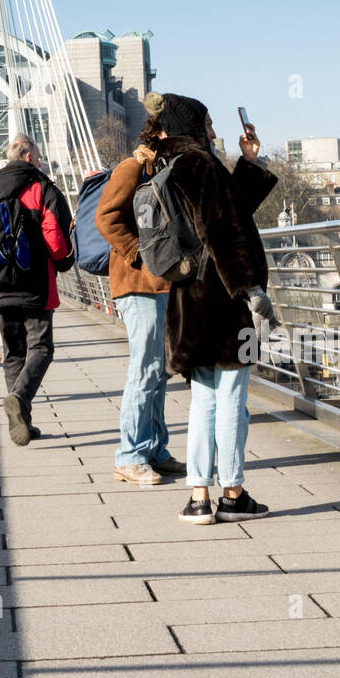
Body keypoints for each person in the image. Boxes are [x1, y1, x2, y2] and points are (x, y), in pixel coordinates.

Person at [138, 91, 278, 524]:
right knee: (233, 399)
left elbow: (225, 210)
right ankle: (233, 494)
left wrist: (249, 162)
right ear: (192, 124)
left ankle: (198, 496)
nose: (214, 130)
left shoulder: (171, 163)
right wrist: (252, 291)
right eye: (209, 122)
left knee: (204, 401)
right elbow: (223, 228)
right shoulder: (200, 162)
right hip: (223, 299)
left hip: (189, 299)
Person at [0, 135, 73, 446]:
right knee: (41, 348)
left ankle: (22, 423)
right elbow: (55, 236)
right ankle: (19, 398)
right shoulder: (41, 187)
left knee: (15, 351)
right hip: (34, 282)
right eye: (38, 157)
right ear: (28, 157)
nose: (40, 163)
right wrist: (64, 261)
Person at [95, 153, 186, 486]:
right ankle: (130, 455)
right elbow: (105, 217)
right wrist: (138, 254)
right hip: (137, 283)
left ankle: (155, 451)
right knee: (145, 368)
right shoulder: (133, 167)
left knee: (159, 372)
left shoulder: (168, 169)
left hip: (163, 283)